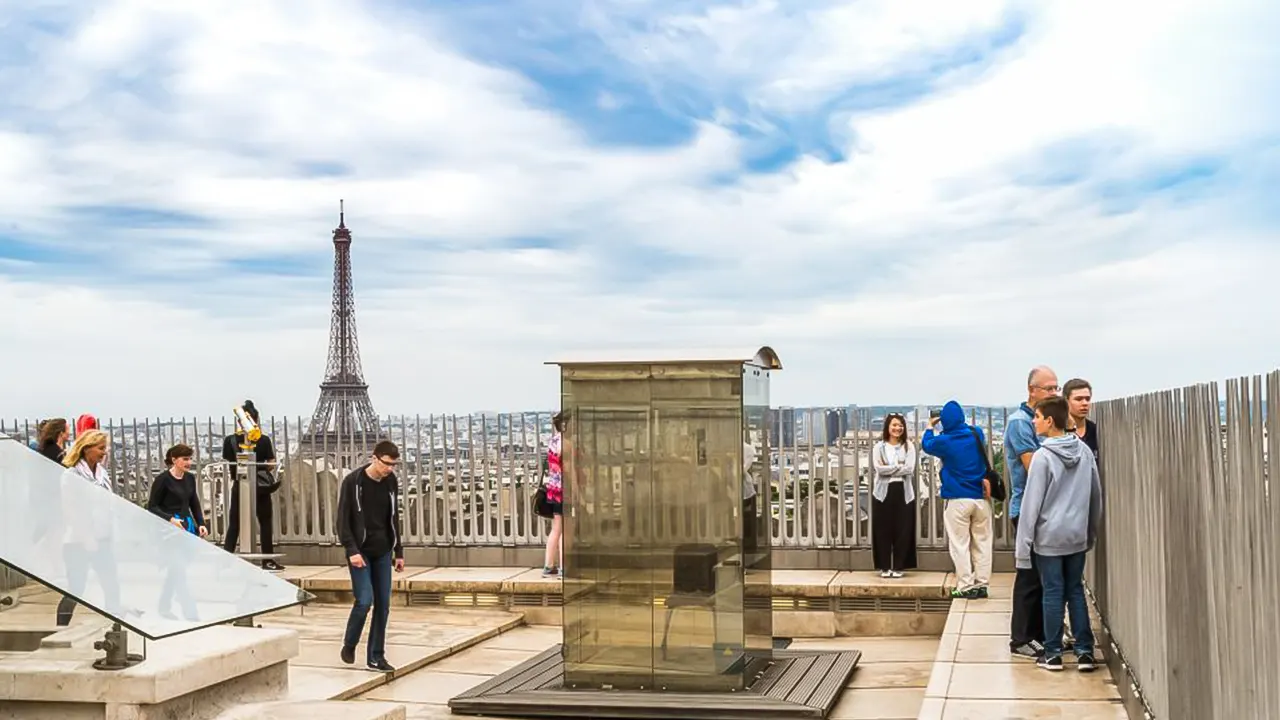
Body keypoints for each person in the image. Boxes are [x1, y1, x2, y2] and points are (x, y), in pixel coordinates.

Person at [1014, 396, 1102, 672]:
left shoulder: (1042, 457)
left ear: (1050, 421)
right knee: (1075, 590)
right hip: (1076, 535)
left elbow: (1031, 506)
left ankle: (1052, 653)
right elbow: (1096, 495)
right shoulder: (1085, 452)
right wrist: (1090, 531)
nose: (1033, 421)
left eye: (1037, 417)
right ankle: (1085, 651)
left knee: (1052, 592)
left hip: (1049, 538)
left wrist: (1022, 548)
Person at [1005, 365, 1059, 659]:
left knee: (1043, 576)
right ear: (1032, 391)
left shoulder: (1045, 422)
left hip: (1047, 510)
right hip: (1027, 509)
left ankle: (1040, 634)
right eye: (1049, 389)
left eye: (1056, 388)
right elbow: (1032, 468)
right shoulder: (1019, 423)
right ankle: (1022, 638)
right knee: (1029, 575)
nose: (1054, 393)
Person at [337, 440, 405, 672]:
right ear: (374, 458)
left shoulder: (391, 482)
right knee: (365, 600)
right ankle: (350, 643)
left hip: (383, 549)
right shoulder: (353, 482)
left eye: (394, 465)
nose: (390, 469)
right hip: (360, 552)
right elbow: (342, 521)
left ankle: (376, 655)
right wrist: (351, 550)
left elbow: (394, 518)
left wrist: (399, 551)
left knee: (383, 605)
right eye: (386, 464)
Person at [921, 401, 993, 599]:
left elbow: (926, 444)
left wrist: (930, 426)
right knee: (983, 542)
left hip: (957, 499)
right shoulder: (976, 433)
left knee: (960, 544)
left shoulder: (945, 440)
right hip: (980, 497)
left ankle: (965, 585)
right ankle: (982, 583)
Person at [55, 430, 121, 626]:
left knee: (112, 586)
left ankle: (116, 628)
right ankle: (61, 628)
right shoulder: (71, 475)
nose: (105, 452)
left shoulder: (102, 474)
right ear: (87, 449)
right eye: (101, 448)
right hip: (78, 542)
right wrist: (86, 538)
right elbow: (71, 510)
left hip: (103, 538)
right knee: (76, 589)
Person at [221, 400, 284, 570]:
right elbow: (271, 463)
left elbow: (228, 460)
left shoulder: (230, 441)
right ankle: (267, 560)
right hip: (261, 486)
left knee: (234, 523)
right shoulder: (263, 440)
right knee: (265, 522)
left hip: (239, 485)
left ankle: (226, 558)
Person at [871, 413, 917, 578]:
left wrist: (889, 467)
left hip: (904, 492)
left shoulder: (909, 446)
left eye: (900, 425)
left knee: (903, 529)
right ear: (888, 427)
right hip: (883, 492)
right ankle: (884, 567)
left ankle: (899, 566)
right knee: (883, 529)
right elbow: (878, 469)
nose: (897, 428)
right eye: (894, 425)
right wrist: (899, 466)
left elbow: (910, 469)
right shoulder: (879, 447)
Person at [148, 444, 209, 538]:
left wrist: (201, 524)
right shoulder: (162, 480)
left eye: (190, 459)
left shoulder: (190, 478)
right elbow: (152, 506)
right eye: (185, 459)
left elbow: (194, 503)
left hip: (186, 524)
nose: (189, 462)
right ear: (174, 460)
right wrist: (171, 519)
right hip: (168, 526)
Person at [542, 412, 565, 577]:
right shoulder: (567, 442)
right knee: (566, 531)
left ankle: (549, 566)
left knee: (556, 529)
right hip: (566, 491)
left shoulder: (553, 441)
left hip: (554, 489)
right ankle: (565, 566)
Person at [1063, 378, 1099, 459]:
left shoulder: (1096, 430)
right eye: (1078, 399)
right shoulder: (1058, 431)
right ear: (1066, 401)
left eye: (1087, 399)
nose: (1084, 403)